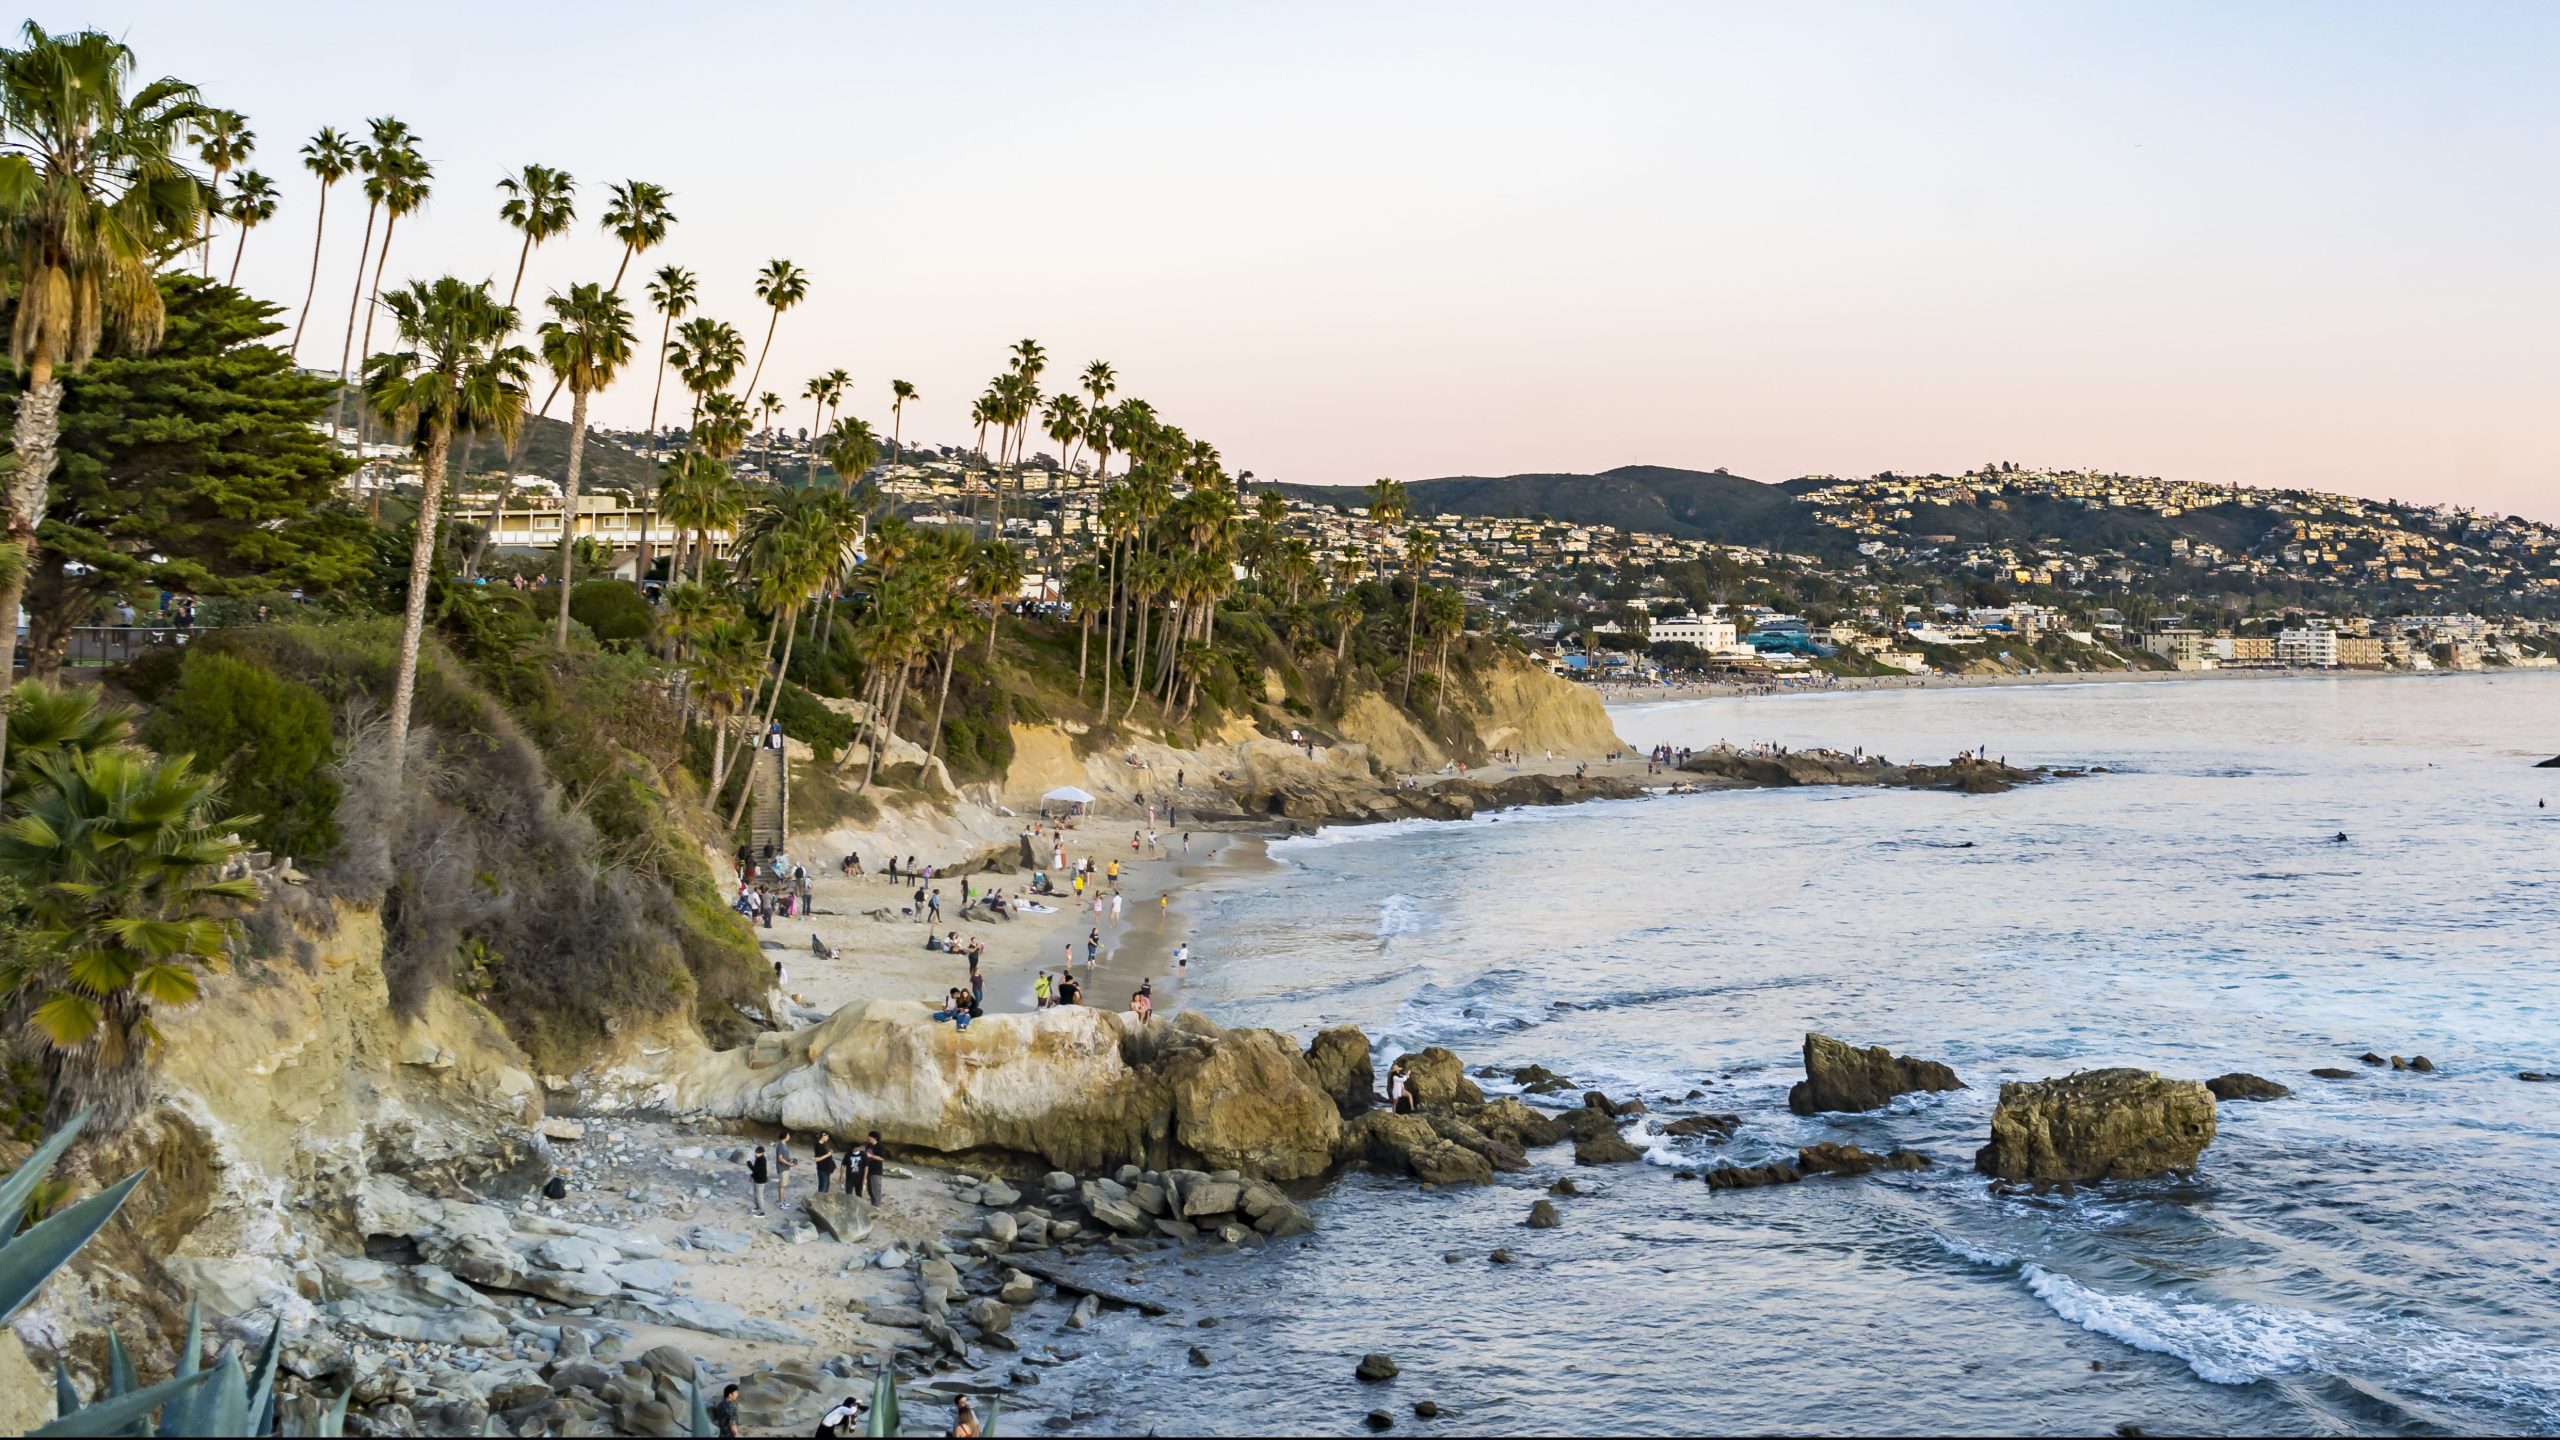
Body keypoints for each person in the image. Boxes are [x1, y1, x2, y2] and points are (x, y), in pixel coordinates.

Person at [773, 1130, 797, 1203]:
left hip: (786, 1167)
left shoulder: (785, 1145)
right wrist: (789, 1164)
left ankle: (783, 1200)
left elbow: (785, 1157)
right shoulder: (780, 1146)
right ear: (785, 1137)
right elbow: (780, 1158)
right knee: (781, 1186)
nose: (789, 1137)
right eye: (788, 1135)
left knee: (783, 1185)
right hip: (782, 1168)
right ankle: (781, 1202)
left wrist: (792, 1160)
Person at [747, 1144, 770, 1215]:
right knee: (751, 1193)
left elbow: (755, 1170)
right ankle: (757, 1206)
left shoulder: (762, 1160)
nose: (756, 1154)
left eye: (758, 1153)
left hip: (760, 1181)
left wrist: (748, 1163)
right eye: (756, 1152)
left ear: (762, 1153)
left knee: (759, 1196)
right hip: (755, 1179)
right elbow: (756, 1171)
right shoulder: (758, 1158)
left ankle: (762, 1212)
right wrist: (751, 1176)